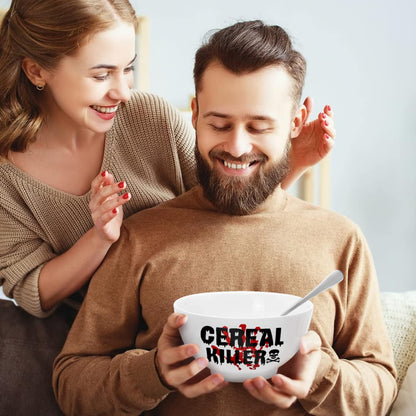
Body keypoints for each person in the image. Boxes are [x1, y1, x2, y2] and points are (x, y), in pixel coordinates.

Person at [0, 2, 333, 415]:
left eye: (128, 68)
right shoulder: (6, 176)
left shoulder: (149, 116)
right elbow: (34, 292)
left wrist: (288, 162)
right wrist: (101, 238)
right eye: (101, 74)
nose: (121, 90)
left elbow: (225, 202)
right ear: (36, 71)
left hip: (182, 318)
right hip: (101, 339)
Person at [53, 20, 396, 416]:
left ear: (298, 121)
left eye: (259, 126)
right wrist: (154, 372)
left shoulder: (341, 240)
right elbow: (71, 382)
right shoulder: (140, 236)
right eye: (219, 124)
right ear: (195, 114)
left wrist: (317, 373)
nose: (236, 146)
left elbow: (381, 385)